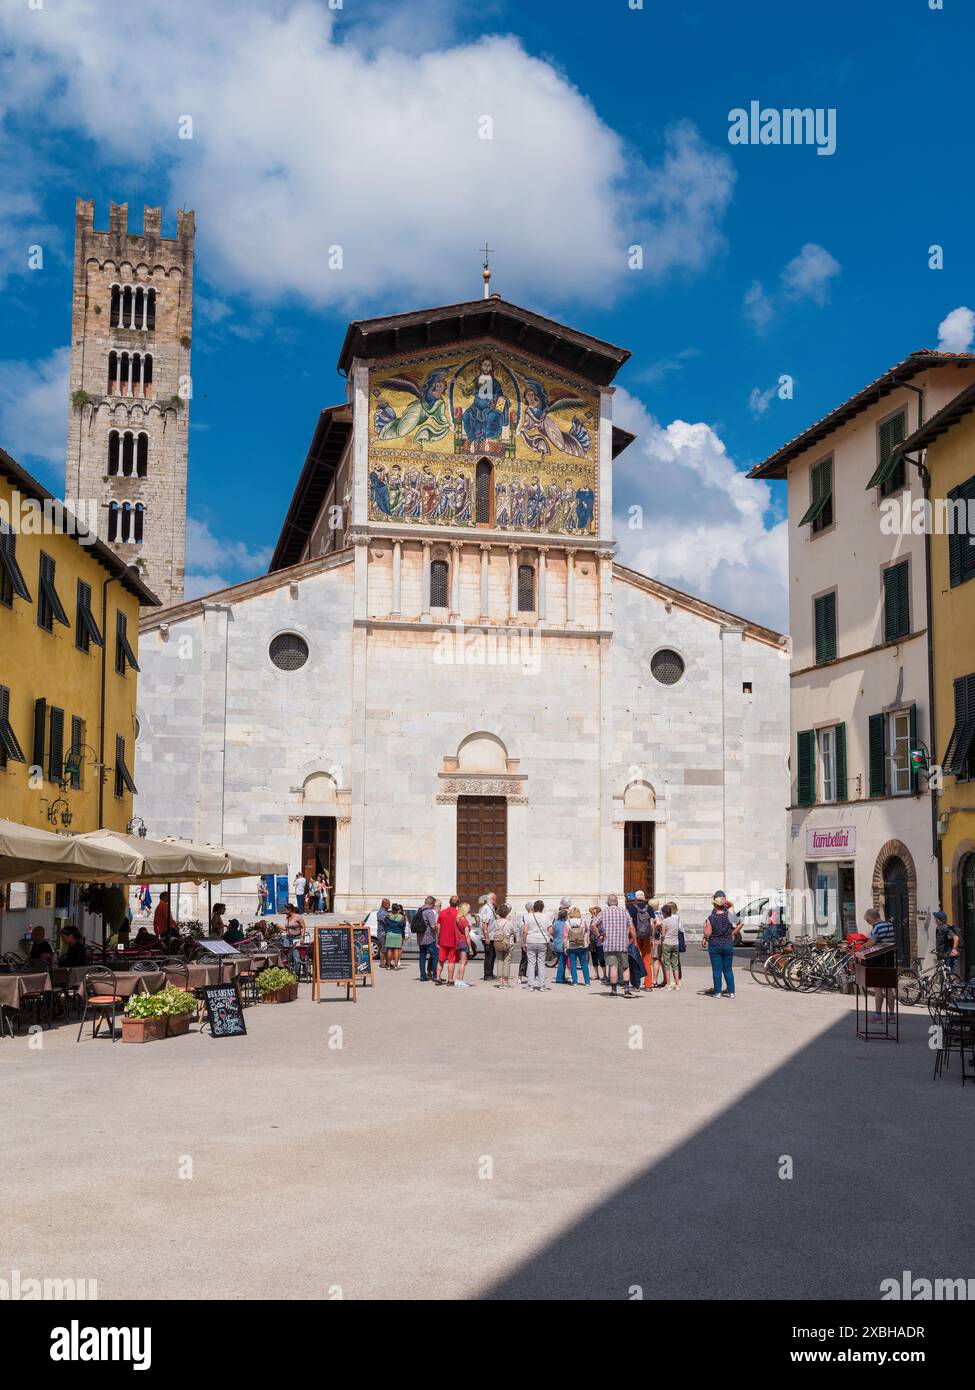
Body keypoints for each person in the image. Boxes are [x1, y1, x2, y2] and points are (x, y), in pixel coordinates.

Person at [863, 907, 897, 1017]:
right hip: (890, 957)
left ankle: (878, 1015)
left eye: (868, 920)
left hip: (878, 958)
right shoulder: (889, 925)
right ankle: (891, 1015)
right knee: (889, 988)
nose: (868, 923)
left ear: (873, 917)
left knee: (878, 988)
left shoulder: (876, 927)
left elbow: (871, 943)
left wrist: (862, 947)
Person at [703, 893, 736, 998]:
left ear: (715, 905)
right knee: (728, 970)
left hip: (715, 945)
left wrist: (704, 928)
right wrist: (732, 933)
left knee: (717, 970)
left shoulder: (711, 918)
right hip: (728, 944)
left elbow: (708, 933)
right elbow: (740, 922)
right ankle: (731, 992)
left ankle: (717, 992)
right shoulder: (729, 915)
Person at [601, 894, 636, 996]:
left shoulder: (604, 912)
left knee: (613, 967)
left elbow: (594, 925)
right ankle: (626, 990)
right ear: (617, 902)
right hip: (622, 944)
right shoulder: (624, 912)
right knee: (625, 967)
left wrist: (600, 934)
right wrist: (634, 940)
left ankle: (613, 990)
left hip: (609, 944)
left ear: (608, 902)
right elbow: (632, 927)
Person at [521, 900, 552, 991]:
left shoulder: (528, 917)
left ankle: (530, 985)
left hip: (530, 940)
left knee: (531, 963)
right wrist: (548, 937)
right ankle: (542, 985)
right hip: (542, 941)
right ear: (542, 908)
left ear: (534, 907)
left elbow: (525, 931)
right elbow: (550, 930)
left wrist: (523, 942)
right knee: (541, 963)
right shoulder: (546, 917)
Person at [628, 891, 656, 990]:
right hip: (646, 937)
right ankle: (648, 985)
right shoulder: (650, 908)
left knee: (634, 960)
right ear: (644, 899)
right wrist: (652, 937)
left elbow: (629, 924)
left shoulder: (631, 908)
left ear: (635, 898)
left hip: (634, 937)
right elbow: (652, 925)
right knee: (647, 960)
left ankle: (636, 985)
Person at [436, 895, 461, 986]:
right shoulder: (459, 914)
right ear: (458, 903)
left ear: (449, 902)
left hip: (443, 940)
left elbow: (438, 928)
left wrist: (438, 939)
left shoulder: (442, 913)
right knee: (451, 961)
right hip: (453, 941)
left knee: (440, 960)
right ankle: (450, 980)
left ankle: (438, 978)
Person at [492, 903, 518, 988]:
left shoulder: (495, 922)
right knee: (507, 962)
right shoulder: (509, 922)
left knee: (500, 961)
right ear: (507, 913)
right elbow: (514, 932)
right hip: (507, 944)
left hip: (498, 944)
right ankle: (506, 982)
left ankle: (500, 982)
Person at [414, 897, 438, 981]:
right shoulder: (429, 912)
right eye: (433, 904)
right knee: (435, 955)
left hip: (420, 937)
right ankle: (435, 975)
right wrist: (437, 928)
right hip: (429, 938)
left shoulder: (419, 910)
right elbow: (433, 926)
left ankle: (422, 975)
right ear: (431, 904)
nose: (434, 906)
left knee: (422, 956)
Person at [565, 906, 590, 985]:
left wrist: (565, 946)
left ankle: (575, 982)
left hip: (571, 945)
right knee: (584, 963)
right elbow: (587, 930)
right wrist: (587, 939)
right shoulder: (583, 921)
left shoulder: (567, 922)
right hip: (581, 944)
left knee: (573, 963)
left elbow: (565, 935)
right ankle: (587, 982)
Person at [933, 910, 961, 976]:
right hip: (943, 956)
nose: (934, 920)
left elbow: (956, 938)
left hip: (948, 957)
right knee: (944, 977)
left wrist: (954, 949)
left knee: (949, 976)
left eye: (935, 918)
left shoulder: (945, 928)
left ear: (938, 920)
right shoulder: (939, 928)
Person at [660, 903, 681, 990]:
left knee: (667, 964)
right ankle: (677, 984)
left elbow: (663, 934)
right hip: (675, 943)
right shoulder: (675, 920)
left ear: (664, 913)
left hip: (667, 943)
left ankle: (668, 984)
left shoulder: (664, 921)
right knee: (675, 964)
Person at [479, 892, 498, 981]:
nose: (496, 901)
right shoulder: (488, 909)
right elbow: (484, 924)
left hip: (491, 936)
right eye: (495, 899)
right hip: (488, 937)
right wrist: (486, 937)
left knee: (492, 955)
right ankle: (487, 975)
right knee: (489, 956)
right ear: (492, 899)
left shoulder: (490, 908)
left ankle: (490, 973)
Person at [281, 903, 305, 975]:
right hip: (288, 938)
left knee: (296, 957)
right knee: (286, 956)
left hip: (296, 938)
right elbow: (286, 929)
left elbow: (303, 927)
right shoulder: (287, 917)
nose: (284, 911)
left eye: (285, 909)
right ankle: (288, 973)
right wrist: (278, 926)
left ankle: (296, 975)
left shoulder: (298, 917)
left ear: (289, 910)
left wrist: (302, 937)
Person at [454, 902, 474, 987]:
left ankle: (458, 980)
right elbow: (467, 936)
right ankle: (460, 980)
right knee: (463, 962)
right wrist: (470, 948)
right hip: (463, 942)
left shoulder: (457, 920)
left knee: (461, 962)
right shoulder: (464, 921)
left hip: (458, 942)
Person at [384, 902, 407, 970]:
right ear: (398, 910)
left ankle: (388, 966)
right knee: (396, 949)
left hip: (390, 933)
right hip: (398, 934)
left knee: (389, 950)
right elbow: (404, 925)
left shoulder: (388, 915)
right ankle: (396, 966)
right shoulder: (402, 917)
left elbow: (385, 923)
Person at [552, 903, 570, 983]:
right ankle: (559, 978)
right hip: (563, 944)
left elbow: (552, 932)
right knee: (562, 962)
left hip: (556, 943)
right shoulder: (566, 923)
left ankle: (561, 977)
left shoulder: (556, 923)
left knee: (561, 960)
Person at [588, 905, 606, 980]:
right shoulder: (592, 919)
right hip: (592, 940)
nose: (592, 913)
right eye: (592, 912)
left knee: (601, 958)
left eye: (594, 911)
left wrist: (601, 936)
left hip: (599, 940)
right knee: (594, 957)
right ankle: (596, 974)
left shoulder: (601, 920)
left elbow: (602, 929)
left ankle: (604, 975)